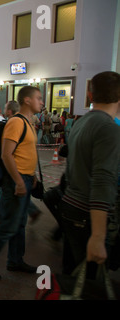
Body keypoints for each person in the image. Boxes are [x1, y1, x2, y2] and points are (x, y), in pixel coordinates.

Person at [0, 86, 42, 280]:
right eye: (38, 98)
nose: (42, 101)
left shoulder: (29, 123)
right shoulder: (16, 122)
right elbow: (7, 154)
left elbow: (25, 152)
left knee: (19, 223)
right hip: (16, 180)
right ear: (27, 100)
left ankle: (15, 260)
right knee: (10, 225)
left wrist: (32, 176)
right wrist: (19, 182)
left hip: (25, 177)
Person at [59, 71, 120, 278]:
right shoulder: (108, 128)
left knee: (72, 273)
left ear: (90, 96)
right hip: (86, 213)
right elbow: (103, 180)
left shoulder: (81, 122)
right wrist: (98, 235)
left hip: (70, 205)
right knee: (88, 280)